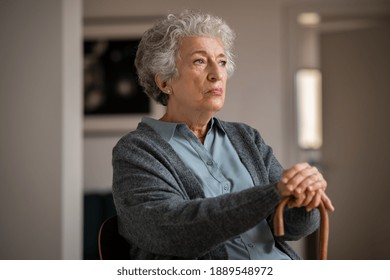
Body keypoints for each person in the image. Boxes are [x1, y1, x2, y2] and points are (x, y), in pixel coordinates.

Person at [112, 9, 334, 260]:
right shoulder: (136, 150)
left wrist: (303, 199)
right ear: (165, 82)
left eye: (221, 61)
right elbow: (169, 232)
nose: (217, 74)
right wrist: (273, 193)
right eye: (199, 61)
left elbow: (290, 229)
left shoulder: (246, 138)